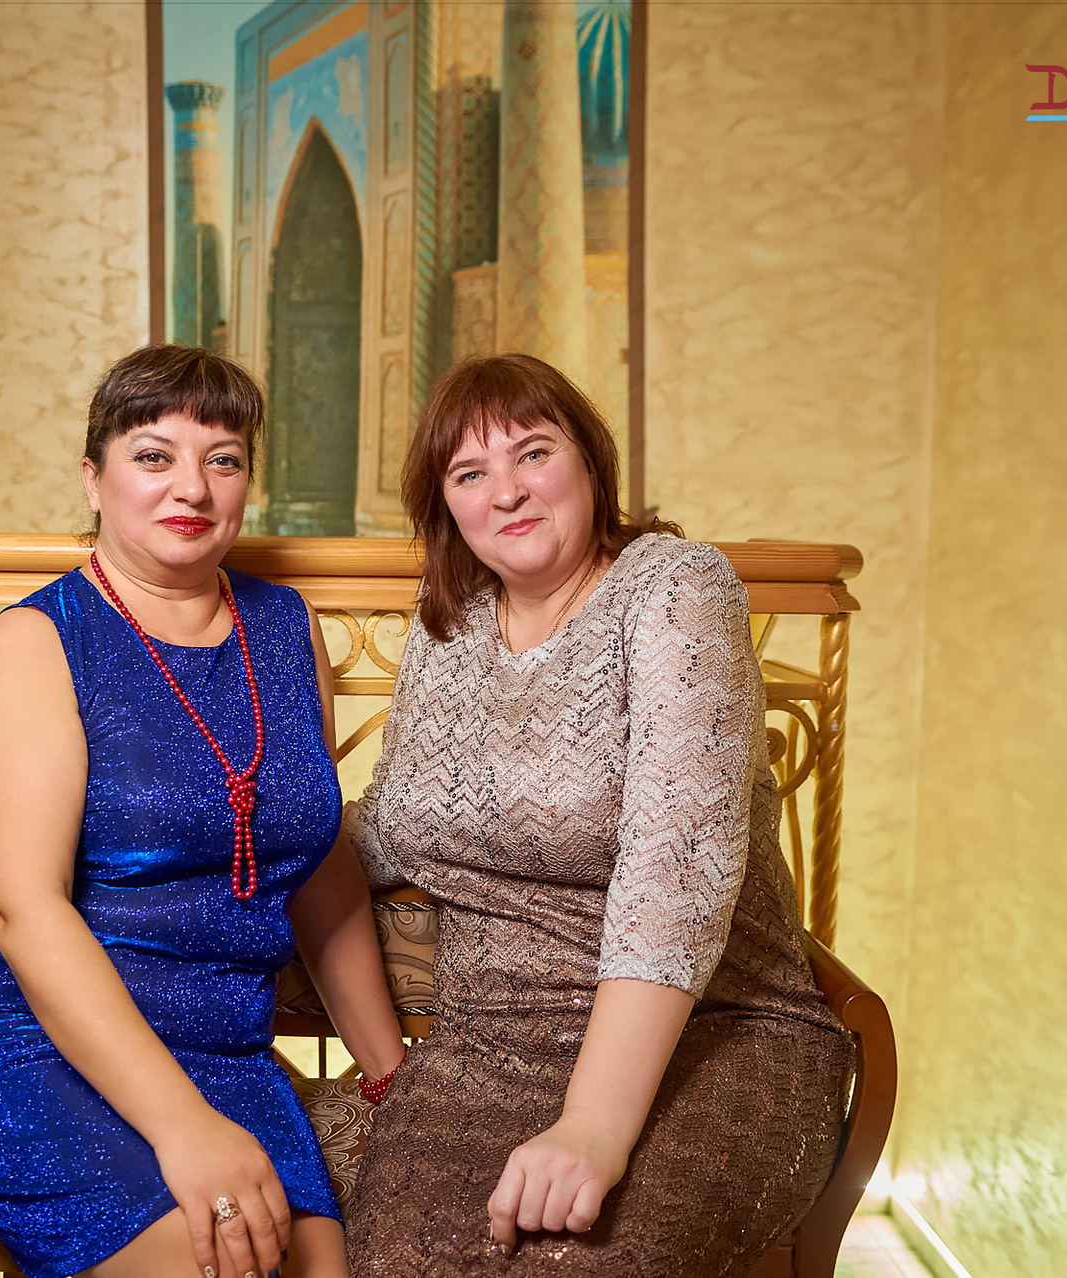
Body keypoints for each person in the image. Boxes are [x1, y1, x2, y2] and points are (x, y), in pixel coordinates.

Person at [341, 353, 857, 1275]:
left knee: (579, 1261)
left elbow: (677, 875)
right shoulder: (446, 625)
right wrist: (232, 836)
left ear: (589, 460)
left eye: (533, 453)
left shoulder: (676, 589)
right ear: (445, 505)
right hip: (485, 1047)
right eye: (469, 473)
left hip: (712, 1038)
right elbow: (388, 827)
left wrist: (592, 1126)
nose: (506, 492)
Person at [0, 345, 407, 1278]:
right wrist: (183, 1128)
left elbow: (317, 864)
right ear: (93, 479)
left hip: (227, 1053)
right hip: (33, 1043)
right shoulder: (37, 641)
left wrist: (389, 1078)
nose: (193, 487)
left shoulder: (284, 626)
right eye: (153, 455)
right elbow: (21, 909)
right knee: (214, 1264)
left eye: (224, 459)